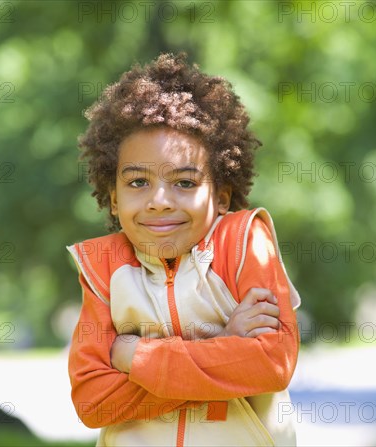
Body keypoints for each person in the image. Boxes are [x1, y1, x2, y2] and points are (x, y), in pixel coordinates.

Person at [67, 53, 302, 447]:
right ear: (112, 198)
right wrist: (222, 346)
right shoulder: (102, 267)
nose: (159, 201)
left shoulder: (245, 242)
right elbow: (94, 402)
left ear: (222, 196)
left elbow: (271, 363)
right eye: (138, 182)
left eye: (185, 183)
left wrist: (135, 357)